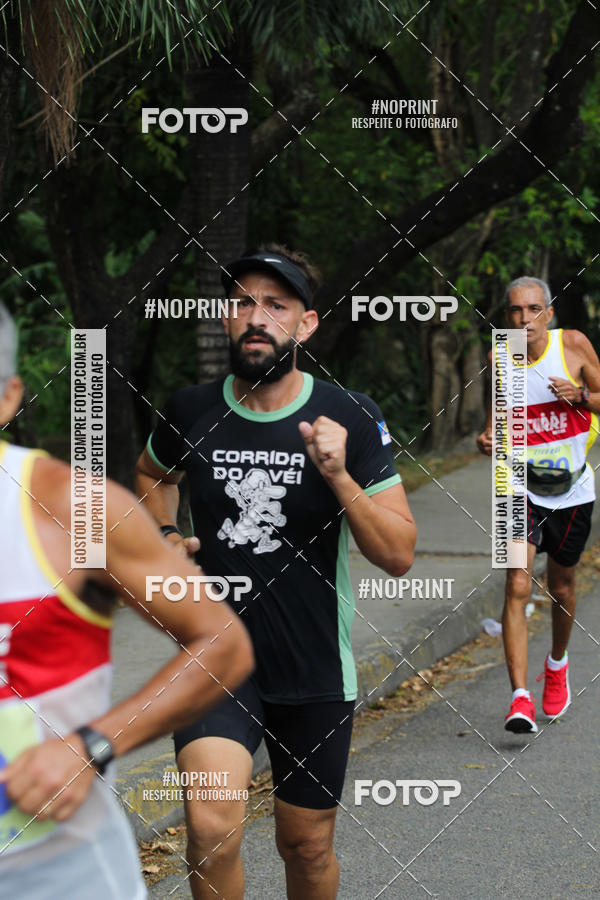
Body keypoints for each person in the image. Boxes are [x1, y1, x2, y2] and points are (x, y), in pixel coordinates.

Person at [135, 244, 417, 899]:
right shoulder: (190, 409)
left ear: (306, 324)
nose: (257, 317)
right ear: (226, 319)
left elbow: (399, 554)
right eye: (243, 303)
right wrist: (166, 535)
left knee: (308, 847)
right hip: (215, 660)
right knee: (210, 830)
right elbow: (153, 475)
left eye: (276, 305)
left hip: (314, 667)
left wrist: (339, 474)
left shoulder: (350, 416)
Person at [0, 302, 253, 898]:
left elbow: (222, 644)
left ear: (9, 399)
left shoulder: (74, 511)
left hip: (56, 873)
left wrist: (92, 746)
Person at [477, 276, 600, 733]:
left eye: (532, 310)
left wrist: (582, 396)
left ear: (548, 312)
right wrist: (487, 437)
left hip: (572, 489)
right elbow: (497, 419)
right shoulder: (499, 355)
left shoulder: (573, 345)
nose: (523, 319)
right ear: (506, 316)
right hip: (515, 487)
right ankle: (520, 697)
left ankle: (557, 663)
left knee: (563, 588)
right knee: (517, 584)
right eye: (514, 311)